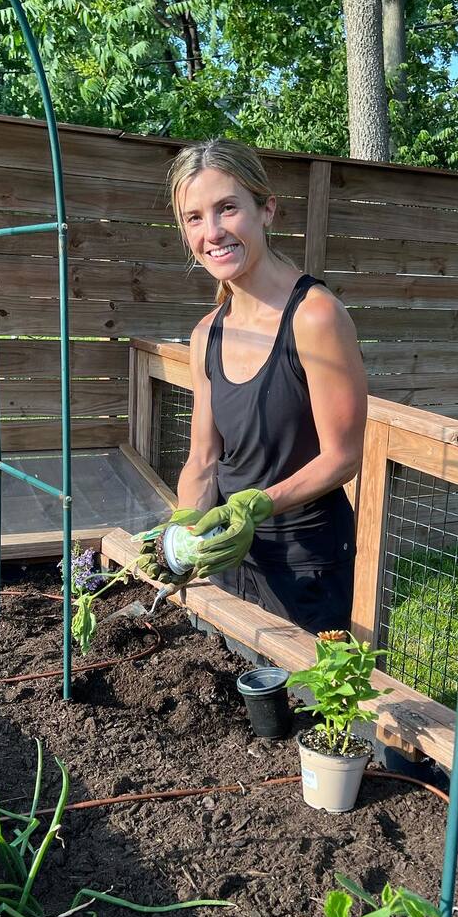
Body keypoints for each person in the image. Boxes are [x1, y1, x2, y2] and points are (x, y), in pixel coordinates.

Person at [137, 139, 367, 633]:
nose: (212, 232)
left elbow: (343, 456)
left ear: (267, 210)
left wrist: (256, 505)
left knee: (303, 705)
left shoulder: (315, 316)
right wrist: (183, 531)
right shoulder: (207, 334)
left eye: (227, 209)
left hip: (305, 559)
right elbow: (202, 460)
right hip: (228, 553)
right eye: (194, 217)